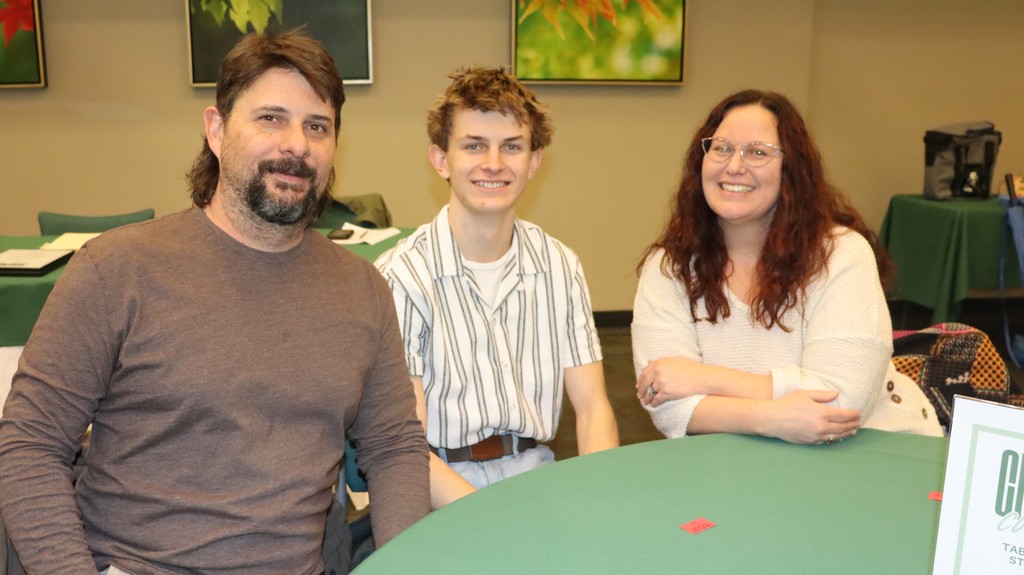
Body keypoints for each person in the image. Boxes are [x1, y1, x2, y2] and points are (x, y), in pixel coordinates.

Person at [0, 30, 428, 575]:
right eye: (271, 118)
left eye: (316, 126)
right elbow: (30, 444)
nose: (296, 144)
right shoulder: (117, 270)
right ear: (217, 130)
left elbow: (393, 449)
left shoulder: (363, 289)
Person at [632, 89, 942, 443]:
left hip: (872, 447)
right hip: (734, 455)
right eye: (721, 148)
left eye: (758, 152)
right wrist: (771, 419)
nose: (734, 165)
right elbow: (665, 402)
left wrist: (703, 379)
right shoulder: (668, 266)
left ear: (790, 171)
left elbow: (840, 404)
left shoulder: (842, 254)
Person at [375, 67, 619, 509]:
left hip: (536, 473)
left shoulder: (560, 265)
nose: (494, 163)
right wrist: (490, 518)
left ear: (535, 160)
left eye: (512, 147)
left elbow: (593, 409)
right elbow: (406, 446)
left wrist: (600, 497)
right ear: (440, 159)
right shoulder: (403, 277)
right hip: (439, 487)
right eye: (474, 146)